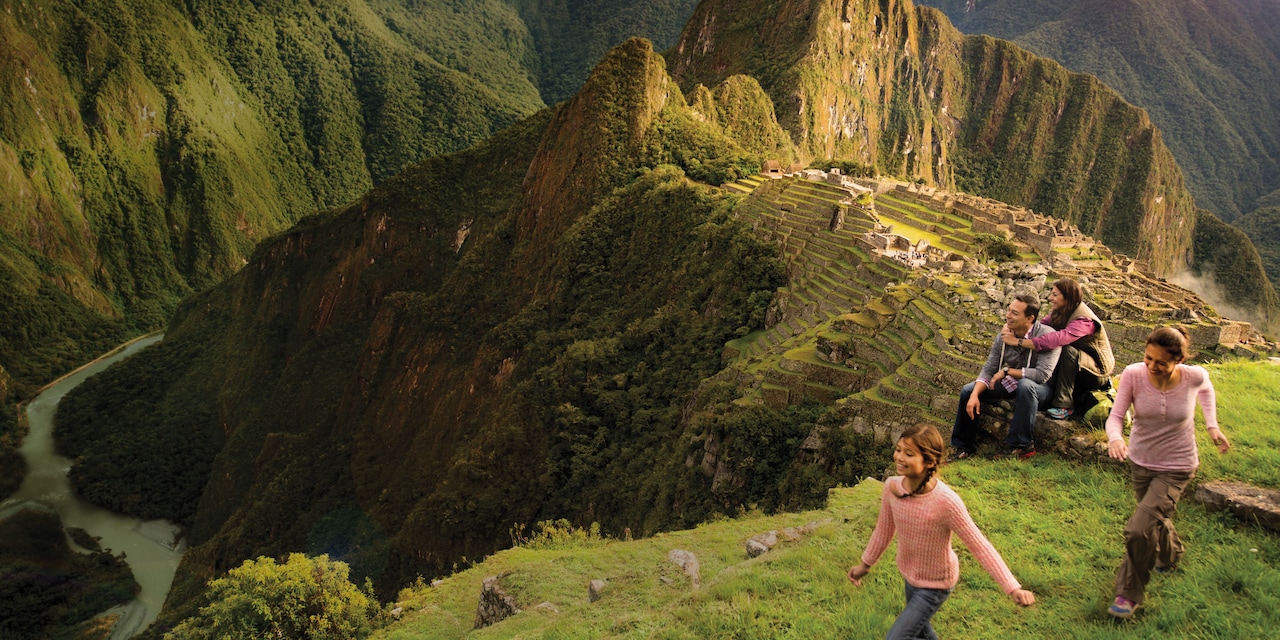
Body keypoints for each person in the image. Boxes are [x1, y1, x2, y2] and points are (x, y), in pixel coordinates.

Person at [848, 424, 1036, 639]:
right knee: (921, 632)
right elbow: (883, 531)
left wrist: (1013, 588)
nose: (899, 457)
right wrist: (865, 564)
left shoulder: (946, 502)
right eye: (899, 449)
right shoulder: (892, 488)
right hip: (910, 576)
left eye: (909, 454)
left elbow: (980, 546)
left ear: (929, 462)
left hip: (936, 584)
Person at [1104, 326, 1230, 618]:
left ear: (1179, 361)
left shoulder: (1193, 376)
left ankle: (1128, 593)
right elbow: (1116, 416)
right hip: (1141, 462)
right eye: (1148, 358)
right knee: (1155, 517)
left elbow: (1207, 388)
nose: (1152, 366)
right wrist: (1115, 438)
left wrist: (1212, 425)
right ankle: (1171, 555)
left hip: (1178, 465)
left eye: (1161, 362)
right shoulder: (1134, 374)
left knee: (1138, 529)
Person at [951, 293, 1061, 460]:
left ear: (1030, 318)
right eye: (1009, 310)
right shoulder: (1004, 335)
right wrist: (975, 394)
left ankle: (1021, 446)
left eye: (1015, 313)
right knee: (968, 390)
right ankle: (963, 448)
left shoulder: (1047, 336)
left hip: (1042, 388)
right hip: (1014, 381)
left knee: (1026, 385)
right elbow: (989, 369)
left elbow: (1042, 375)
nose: (1008, 315)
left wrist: (1007, 372)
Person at [1002, 278, 1114, 419]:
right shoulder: (1060, 312)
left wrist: (1019, 342)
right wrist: (1009, 326)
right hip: (1080, 366)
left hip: (1097, 372)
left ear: (1067, 297)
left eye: (1055, 295)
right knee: (1059, 349)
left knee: (1067, 350)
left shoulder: (1085, 320)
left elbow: (1060, 338)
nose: (1050, 298)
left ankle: (1063, 405)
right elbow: (1039, 327)